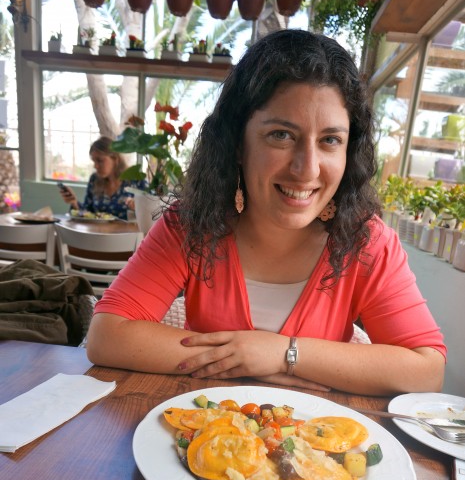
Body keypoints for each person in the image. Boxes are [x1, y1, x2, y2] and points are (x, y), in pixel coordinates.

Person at [86, 29, 446, 395]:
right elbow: (107, 336)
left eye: (330, 140)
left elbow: (425, 369)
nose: (307, 169)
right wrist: (242, 357)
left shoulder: (367, 241)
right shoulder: (191, 224)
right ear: (237, 144)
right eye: (281, 135)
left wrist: (282, 355)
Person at [58, 136, 144, 220]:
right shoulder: (94, 179)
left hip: (128, 234)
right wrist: (74, 202)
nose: (95, 166)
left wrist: (138, 207)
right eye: (94, 161)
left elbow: (152, 213)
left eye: (100, 160)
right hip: (97, 233)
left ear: (115, 158)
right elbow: (87, 213)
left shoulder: (137, 179)